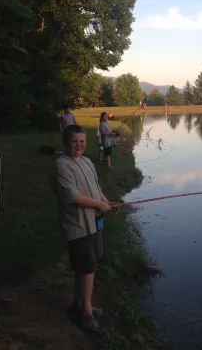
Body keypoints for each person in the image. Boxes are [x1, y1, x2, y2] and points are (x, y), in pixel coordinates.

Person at [52, 125, 120, 333]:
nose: (79, 145)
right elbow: (73, 197)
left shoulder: (88, 161)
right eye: (75, 141)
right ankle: (87, 313)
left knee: (87, 265)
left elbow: (96, 189)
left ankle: (77, 304)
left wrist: (108, 202)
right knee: (87, 266)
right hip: (78, 225)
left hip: (94, 222)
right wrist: (99, 206)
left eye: (82, 141)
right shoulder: (62, 165)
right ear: (66, 143)